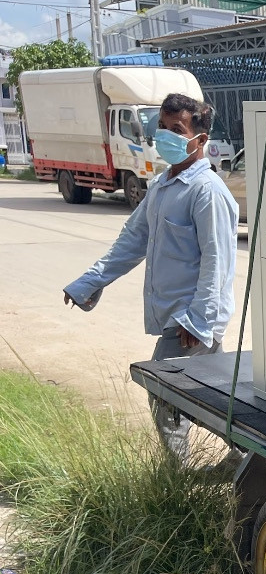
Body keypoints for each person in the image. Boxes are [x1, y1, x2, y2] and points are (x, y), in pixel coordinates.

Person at [62, 93, 238, 464]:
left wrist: (199, 320)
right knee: (213, 396)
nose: (165, 136)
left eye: (177, 129)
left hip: (189, 320)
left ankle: (179, 476)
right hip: (177, 316)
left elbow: (218, 262)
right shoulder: (161, 185)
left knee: (164, 392)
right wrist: (89, 282)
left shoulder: (207, 192)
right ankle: (248, 458)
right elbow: (132, 240)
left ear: (201, 139)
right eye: (162, 127)